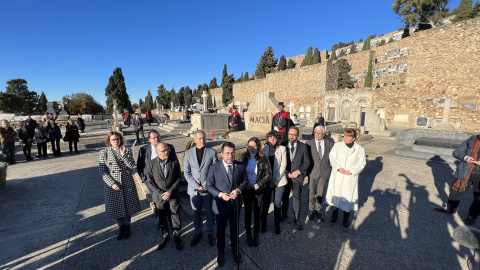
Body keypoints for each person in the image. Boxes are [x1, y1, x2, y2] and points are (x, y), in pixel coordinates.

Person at [206, 142, 248, 266]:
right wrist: (220, 194)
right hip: (220, 205)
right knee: (220, 230)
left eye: (232, 153)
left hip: (235, 204)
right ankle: (221, 252)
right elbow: (209, 185)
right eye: (227, 153)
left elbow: (245, 181)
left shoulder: (240, 165)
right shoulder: (214, 167)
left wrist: (238, 190)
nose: (230, 156)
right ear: (222, 154)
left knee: (235, 228)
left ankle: (235, 249)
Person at [99, 132, 141, 240]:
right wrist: (111, 183)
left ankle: (127, 226)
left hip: (126, 181)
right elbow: (102, 171)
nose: (116, 141)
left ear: (121, 139)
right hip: (112, 183)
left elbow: (131, 166)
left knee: (127, 205)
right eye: (113, 139)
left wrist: (123, 155)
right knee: (116, 207)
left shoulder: (126, 150)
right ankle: (120, 227)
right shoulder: (104, 152)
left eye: (117, 139)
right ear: (109, 141)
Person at [325, 128, 366, 228]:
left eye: (348, 136)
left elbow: (362, 163)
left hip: (350, 177)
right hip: (338, 174)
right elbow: (332, 157)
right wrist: (339, 168)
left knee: (348, 197)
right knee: (336, 194)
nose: (345, 138)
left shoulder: (360, 149)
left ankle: (346, 217)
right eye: (344, 135)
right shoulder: (337, 145)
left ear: (353, 138)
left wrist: (351, 171)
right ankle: (334, 214)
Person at [434, 134, 480, 225]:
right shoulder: (471, 140)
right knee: (455, 193)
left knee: (478, 198)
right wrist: (465, 158)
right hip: (465, 173)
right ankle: (450, 209)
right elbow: (456, 152)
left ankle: (472, 216)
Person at [147, 142, 184, 251]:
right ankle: (165, 234)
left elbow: (178, 178)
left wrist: (169, 191)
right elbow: (150, 181)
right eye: (163, 151)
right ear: (157, 152)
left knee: (175, 215)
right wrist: (160, 193)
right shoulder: (151, 163)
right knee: (162, 216)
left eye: (167, 149)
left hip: (172, 194)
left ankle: (177, 235)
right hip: (159, 197)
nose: (166, 152)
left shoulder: (174, 160)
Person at [184, 130, 218, 247]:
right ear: (194, 140)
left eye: (203, 138)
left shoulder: (212, 152)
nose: (202, 140)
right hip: (194, 189)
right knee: (196, 212)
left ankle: (210, 232)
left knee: (210, 212)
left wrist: (206, 184)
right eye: (199, 138)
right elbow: (187, 172)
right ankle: (198, 232)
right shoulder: (188, 153)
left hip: (208, 188)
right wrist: (197, 186)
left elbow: (215, 170)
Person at [240, 137, 272, 247]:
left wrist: (260, 184)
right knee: (248, 212)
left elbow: (269, 174)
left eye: (254, 146)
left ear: (258, 146)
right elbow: (240, 172)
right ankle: (248, 234)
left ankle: (256, 234)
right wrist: (245, 184)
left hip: (258, 189)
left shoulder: (263, 158)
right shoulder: (243, 157)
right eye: (249, 146)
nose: (251, 148)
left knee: (257, 212)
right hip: (247, 189)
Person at [281, 126, 310, 230]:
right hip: (285, 176)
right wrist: (285, 172)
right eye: (290, 134)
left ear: (297, 135)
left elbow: (307, 162)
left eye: (294, 134)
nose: (291, 136)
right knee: (284, 197)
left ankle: (297, 218)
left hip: (297, 177)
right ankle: (283, 215)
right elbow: (279, 161)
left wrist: (298, 172)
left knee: (296, 197)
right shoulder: (283, 145)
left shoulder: (303, 147)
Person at [261, 130, 287, 235]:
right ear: (267, 138)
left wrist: (274, 179)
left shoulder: (282, 149)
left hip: (279, 180)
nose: (272, 139)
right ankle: (263, 224)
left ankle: (277, 225)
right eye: (270, 137)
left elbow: (283, 166)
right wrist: (268, 180)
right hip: (266, 181)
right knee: (266, 202)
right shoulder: (264, 149)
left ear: (277, 139)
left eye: (274, 138)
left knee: (277, 203)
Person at [306, 125, 334, 221]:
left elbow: (333, 158)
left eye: (319, 133)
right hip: (313, 171)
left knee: (321, 192)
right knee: (311, 192)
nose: (317, 135)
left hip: (324, 171)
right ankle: (311, 209)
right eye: (316, 133)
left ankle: (318, 209)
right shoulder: (309, 144)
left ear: (324, 134)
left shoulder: (329, 144)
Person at [137, 130, 177, 195]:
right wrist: (144, 178)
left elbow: (175, 163)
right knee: (156, 199)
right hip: (151, 180)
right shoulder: (143, 150)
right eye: (154, 138)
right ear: (149, 140)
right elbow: (140, 165)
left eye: (158, 137)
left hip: (167, 179)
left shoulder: (169, 147)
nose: (156, 139)